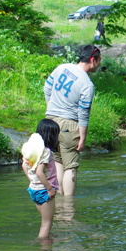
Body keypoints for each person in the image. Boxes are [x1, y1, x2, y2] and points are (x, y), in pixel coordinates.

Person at [43, 44, 101, 196]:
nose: (99, 64)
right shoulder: (87, 84)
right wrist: (82, 137)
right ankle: (68, 208)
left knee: (57, 161)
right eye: (99, 60)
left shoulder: (62, 68)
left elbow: (47, 87)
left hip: (49, 121)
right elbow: (83, 113)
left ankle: (59, 201)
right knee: (71, 166)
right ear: (92, 60)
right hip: (69, 124)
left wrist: (51, 108)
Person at [21, 123, 58, 240]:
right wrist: (50, 189)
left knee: (44, 220)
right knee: (47, 223)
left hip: (34, 190)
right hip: (44, 191)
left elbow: (24, 166)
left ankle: (47, 237)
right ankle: (45, 250)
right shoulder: (45, 152)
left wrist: (32, 181)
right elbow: (40, 172)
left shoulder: (32, 151)